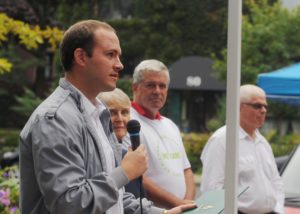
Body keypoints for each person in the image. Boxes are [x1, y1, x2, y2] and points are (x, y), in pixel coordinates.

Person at [19, 20, 196, 214]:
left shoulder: (100, 113)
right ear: (80, 57)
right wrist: (124, 173)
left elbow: (114, 199)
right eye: (110, 55)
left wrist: (160, 213)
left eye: (119, 56)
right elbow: (68, 204)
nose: (119, 65)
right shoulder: (54, 119)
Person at [200, 84, 284, 214]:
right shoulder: (222, 140)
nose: (263, 110)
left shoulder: (262, 142)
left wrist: (278, 209)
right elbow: (212, 190)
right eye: (257, 106)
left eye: (265, 106)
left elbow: (276, 182)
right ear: (239, 106)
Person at [130, 59, 196, 209]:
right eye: (151, 85)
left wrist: (187, 203)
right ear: (135, 87)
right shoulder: (126, 122)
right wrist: (177, 204)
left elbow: (186, 169)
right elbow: (135, 176)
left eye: (162, 86)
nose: (157, 91)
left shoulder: (170, 125)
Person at [98, 88, 145, 198]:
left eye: (124, 112)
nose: (120, 118)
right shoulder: (97, 154)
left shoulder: (127, 154)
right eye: (112, 112)